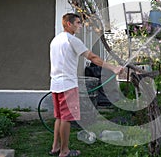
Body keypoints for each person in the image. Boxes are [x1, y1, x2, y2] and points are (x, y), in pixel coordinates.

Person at [49, 13, 123, 157]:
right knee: (67, 118)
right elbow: (93, 57)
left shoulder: (55, 40)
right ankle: (64, 151)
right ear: (69, 24)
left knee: (59, 117)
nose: (80, 26)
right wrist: (113, 68)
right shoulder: (72, 40)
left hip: (55, 84)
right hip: (67, 85)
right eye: (78, 23)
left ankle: (55, 147)